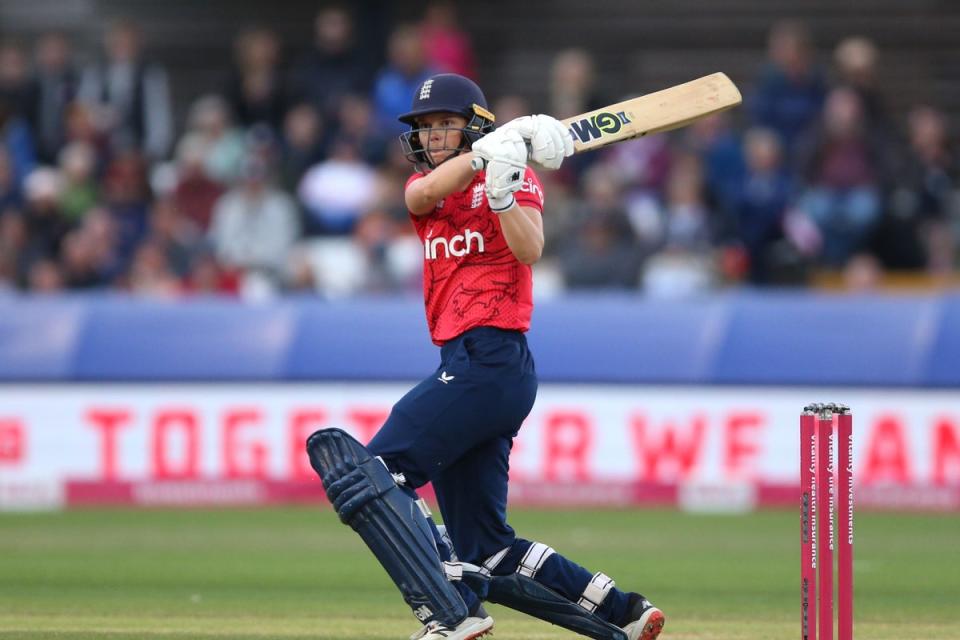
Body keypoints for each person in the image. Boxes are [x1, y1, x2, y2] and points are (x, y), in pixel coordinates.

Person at [306, 73, 665, 640]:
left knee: (370, 474)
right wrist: (482, 157)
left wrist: (500, 187)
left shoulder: (511, 178)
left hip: (491, 357)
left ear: (472, 125)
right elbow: (418, 195)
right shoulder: (432, 188)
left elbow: (531, 249)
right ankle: (623, 611)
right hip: (474, 364)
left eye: (443, 125)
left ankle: (450, 614)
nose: (430, 137)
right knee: (486, 548)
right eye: (424, 128)